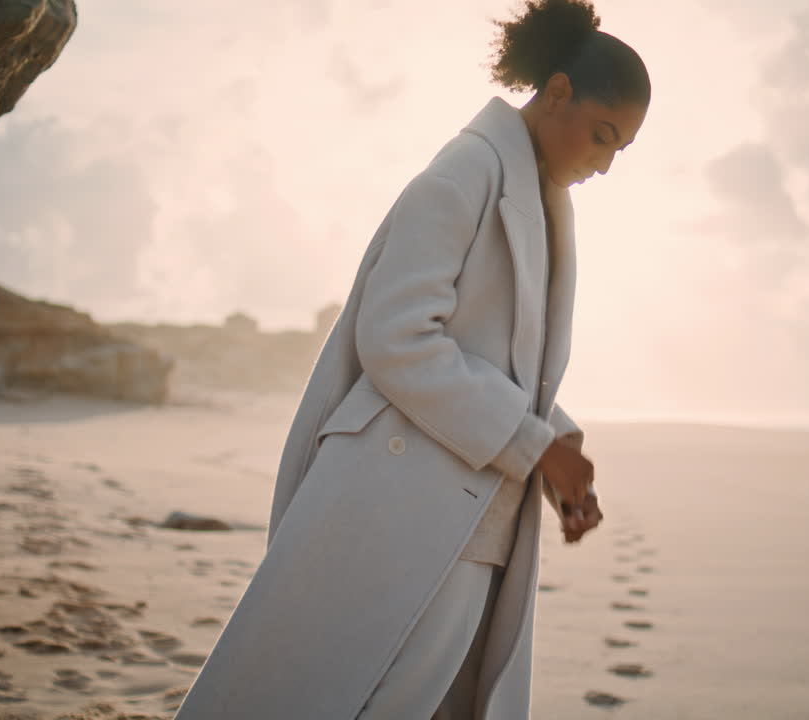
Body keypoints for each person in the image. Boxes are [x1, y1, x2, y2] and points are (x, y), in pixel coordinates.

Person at [172, 1, 649, 717]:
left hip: (463, 509)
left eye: (621, 149)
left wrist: (558, 439)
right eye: (603, 135)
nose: (606, 164)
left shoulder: (537, 195)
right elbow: (396, 338)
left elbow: (495, 356)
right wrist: (534, 444)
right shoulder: (466, 171)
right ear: (556, 93)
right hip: (402, 501)